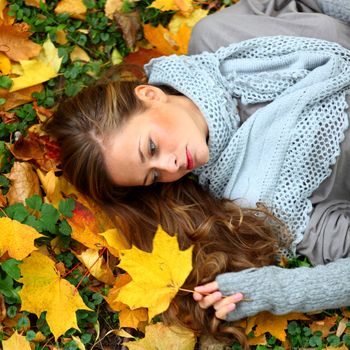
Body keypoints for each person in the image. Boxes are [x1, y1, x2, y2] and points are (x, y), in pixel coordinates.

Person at [45, 0, 350, 344]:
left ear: (149, 95)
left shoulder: (218, 36)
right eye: (154, 176)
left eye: (151, 148)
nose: (170, 166)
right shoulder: (262, 202)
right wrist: (279, 289)